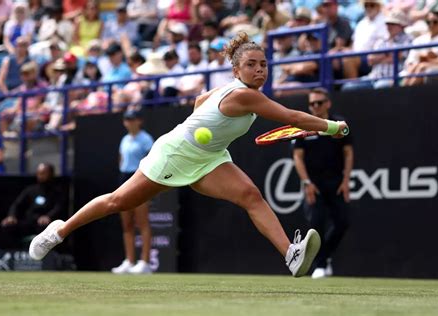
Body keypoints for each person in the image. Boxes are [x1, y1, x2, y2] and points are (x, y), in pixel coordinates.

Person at [29, 32, 349, 277]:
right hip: (176, 152)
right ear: (237, 69)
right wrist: (333, 127)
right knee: (118, 202)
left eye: (263, 64)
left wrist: (205, 129)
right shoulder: (243, 96)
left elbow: (199, 101)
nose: (259, 70)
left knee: (251, 195)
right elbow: (293, 118)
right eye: (251, 65)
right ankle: (59, 230)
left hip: (210, 156)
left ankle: (291, 256)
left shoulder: (230, 90)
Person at [292, 87, 354, 279]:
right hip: (314, 184)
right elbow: (298, 157)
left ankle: (323, 258)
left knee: (342, 223)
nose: (315, 106)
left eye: (319, 102)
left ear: (328, 103)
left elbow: (348, 153)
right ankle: (320, 264)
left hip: (336, 182)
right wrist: (307, 183)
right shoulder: (303, 127)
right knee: (316, 225)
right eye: (312, 103)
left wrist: (345, 180)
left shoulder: (338, 124)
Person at [111, 109, 154, 274]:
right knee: (127, 223)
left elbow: (151, 159)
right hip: (124, 178)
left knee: (142, 222)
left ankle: (144, 263)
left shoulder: (146, 139)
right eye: (126, 120)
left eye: (132, 119)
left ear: (139, 121)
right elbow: (121, 159)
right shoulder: (124, 140)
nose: (129, 122)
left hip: (139, 178)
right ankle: (129, 261)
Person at [0, 163, 65, 249]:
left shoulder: (57, 192)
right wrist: (11, 216)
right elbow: (17, 204)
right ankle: (12, 254)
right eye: (39, 173)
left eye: (43, 173)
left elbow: (58, 207)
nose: (40, 176)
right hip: (28, 222)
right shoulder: (30, 190)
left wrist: (48, 216)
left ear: (51, 174)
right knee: (8, 226)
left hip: (45, 225)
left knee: (45, 228)